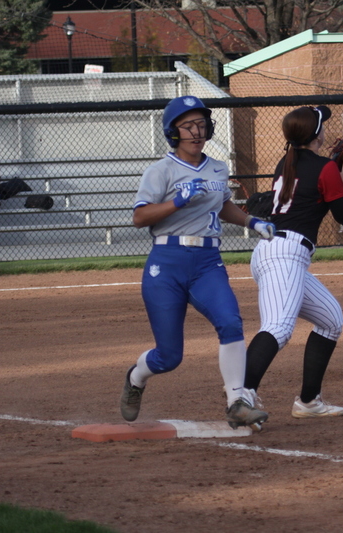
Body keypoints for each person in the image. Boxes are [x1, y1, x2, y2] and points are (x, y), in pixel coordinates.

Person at [119, 95, 273, 431]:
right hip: (167, 262)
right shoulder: (160, 170)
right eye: (188, 125)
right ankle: (136, 377)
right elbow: (140, 216)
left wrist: (252, 222)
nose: (196, 131)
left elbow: (223, 205)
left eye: (201, 124)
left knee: (231, 322)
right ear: (172, 131)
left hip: (207, 261)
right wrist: (177, 200)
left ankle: (237, 403)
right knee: (169, 357)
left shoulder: (217, 167)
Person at [243, 105, 343, 419]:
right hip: (285, 255)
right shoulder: (324, 168)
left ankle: (308, 401)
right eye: (322, 127)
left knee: (331, 320)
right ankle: (241, 397)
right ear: (316, 134)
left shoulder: (287, 160)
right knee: (278, 328)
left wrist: (333, 168)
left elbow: (313, 182)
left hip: (276, 251)